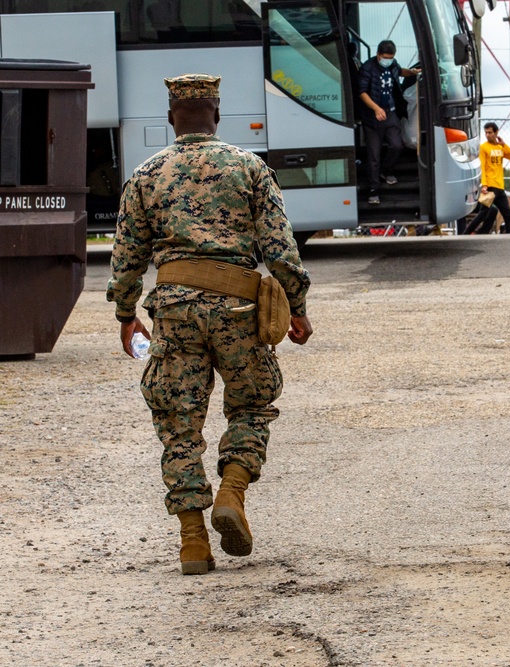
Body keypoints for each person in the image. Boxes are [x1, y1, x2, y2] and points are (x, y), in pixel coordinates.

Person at [107, 74, 313, 576]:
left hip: (174, 311)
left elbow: (127, 257)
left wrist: (126, 313)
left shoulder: (147, 174)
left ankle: (193, 542)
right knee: (253, 403)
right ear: (217, 114)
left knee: (179, 424)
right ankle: (232, 493)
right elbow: (280, 250)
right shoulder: (249, 168)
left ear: (171, 116)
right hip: (238, 309)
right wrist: (298, 305)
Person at [358, 40, 421, 205]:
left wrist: (413, 72)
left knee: (396, 145)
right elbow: (362, 92)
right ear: (378, 55)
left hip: (391, 113)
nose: (388, 60)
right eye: (386, 57)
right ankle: (373, 190)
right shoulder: (367, 68)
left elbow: (400, 72)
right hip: (372, 118)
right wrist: (375, 108)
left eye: (391, 57)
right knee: (374, 155)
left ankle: (385, 171)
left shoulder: (392, 65)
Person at [479, 121, 510, 233]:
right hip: (490, 186)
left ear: (496, 132)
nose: (487, 135)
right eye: (486, 133)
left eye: (490, 132)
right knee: (483, 213)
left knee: (508, 214)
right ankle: (467, 233)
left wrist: (504, 145)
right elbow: (482, 167)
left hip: (500, 186)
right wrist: (484, 185)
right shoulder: (483, 147)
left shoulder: (500, 147)